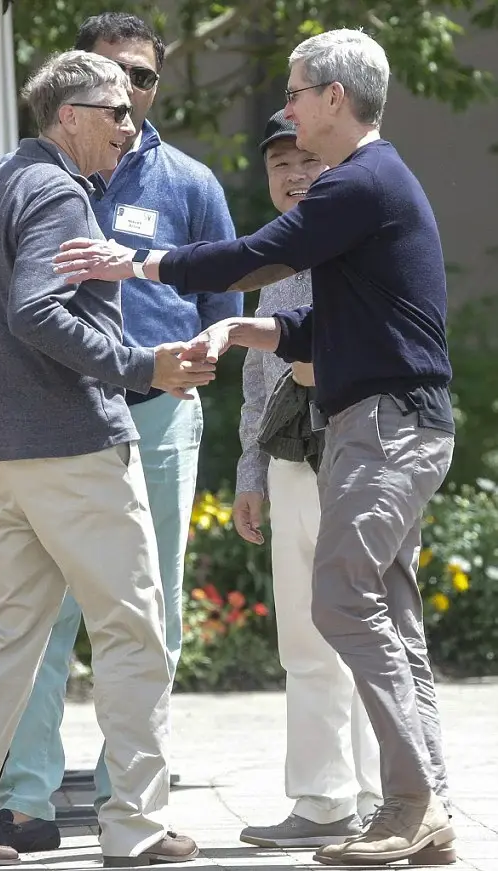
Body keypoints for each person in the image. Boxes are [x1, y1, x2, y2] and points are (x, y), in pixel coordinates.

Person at [53, 28, 457, 866]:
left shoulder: (358, 180)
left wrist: (134, 265)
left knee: (343, 602)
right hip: (390, 421)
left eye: (300, 93)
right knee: (390, 617)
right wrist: (244, 331)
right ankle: (427, 804)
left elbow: (251, 256)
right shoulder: (368, 184)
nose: (290, 108)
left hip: (384, 426)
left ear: (336, 101)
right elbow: (322, 322)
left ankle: (410, 802)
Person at [0, 50, 209, 868]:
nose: (129, 126)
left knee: (5, 633)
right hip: (76, 449)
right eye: (116, 111)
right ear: (68, 115)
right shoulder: (58, 192)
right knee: (135, 631)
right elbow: (39, 310)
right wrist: (145, 366)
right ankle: (136, 828)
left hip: (13, 457)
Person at [0, 13, 242, 853]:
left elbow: (223, 301)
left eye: (144, 79)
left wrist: (186, 364)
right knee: (42, 615)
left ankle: (137, 801)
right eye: (113, 80)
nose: (129, 98)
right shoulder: (44, 177)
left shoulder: (190, 181)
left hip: (158, 414)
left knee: (148, 615)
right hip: (63, 416)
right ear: (73, 92)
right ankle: (26, 798)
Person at [234, 111, 382, 850]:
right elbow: (258, 385)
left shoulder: (365, 239)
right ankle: (323, 800)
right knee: (304, 637)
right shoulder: (274, 263)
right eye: (278, 164)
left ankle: (390, 798)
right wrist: (249, 472)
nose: (292, 175)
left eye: (304, 160)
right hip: (291, 463)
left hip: (363, 458)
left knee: (371, 633)